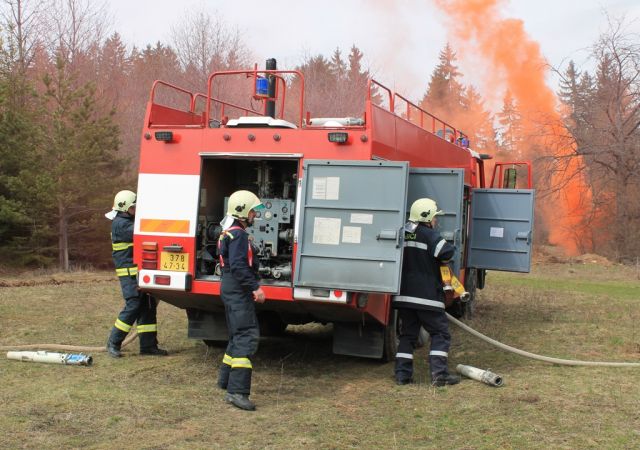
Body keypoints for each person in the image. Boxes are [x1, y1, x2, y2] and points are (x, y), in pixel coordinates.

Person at [393, 198, 460, 387]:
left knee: (407, 335)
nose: (436, 221)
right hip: (427, 297)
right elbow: (447, 253)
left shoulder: (404, 233)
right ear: (427, 217)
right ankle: (439, 375)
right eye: (434, 217)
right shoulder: (430, 235)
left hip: (404, 296)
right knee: (440, 333)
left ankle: (402, 375)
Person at [216, 190, 266, 411]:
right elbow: (238, 266)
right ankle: (237, 392)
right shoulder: (239, 236)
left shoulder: (228, 233)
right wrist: (255, 287)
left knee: (237, 333)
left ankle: (225, 381)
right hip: (237, 289)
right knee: (246, 335)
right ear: (243, 212)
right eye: (253, 211)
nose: (255, 215)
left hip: (229, 287)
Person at [105, 190, 168, 358]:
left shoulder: (127, 220)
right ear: (124, 208)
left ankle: (148, 346)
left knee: (147, 306)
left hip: (138, 273)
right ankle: (113, 342)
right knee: (133, 305)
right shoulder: (120, 224)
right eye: (133, 207)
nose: (136, 209)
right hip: (129, 274)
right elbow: (141, 231)